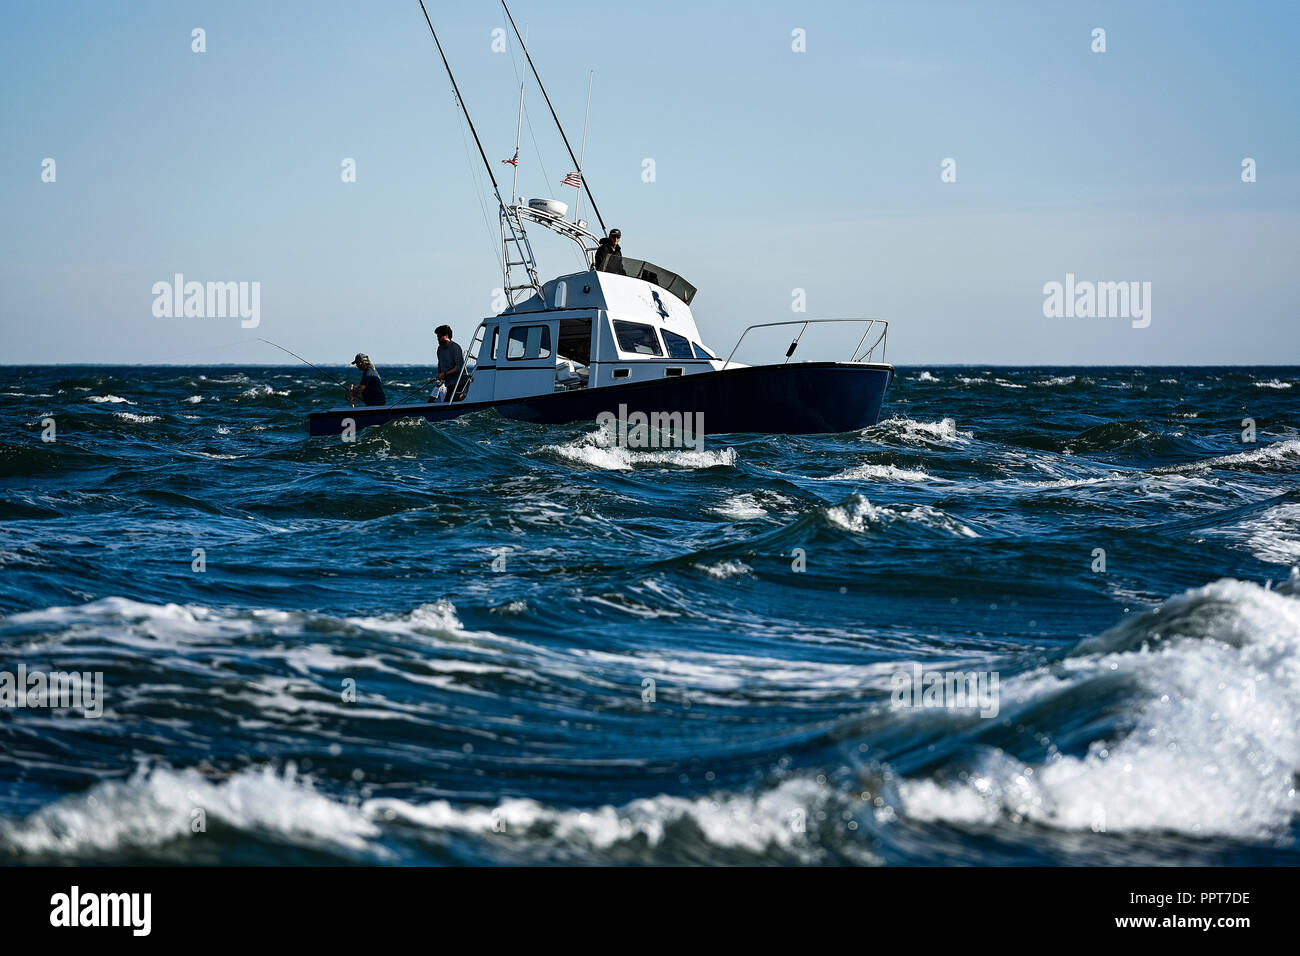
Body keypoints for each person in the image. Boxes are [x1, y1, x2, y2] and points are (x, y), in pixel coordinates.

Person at [434, 325, 465, 402]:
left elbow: (458, 367)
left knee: (447, 403)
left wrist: (444, 374)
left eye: (440, 336)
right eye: (437, 337)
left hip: (458, 383)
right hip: (448, 384)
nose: (438, 339)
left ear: (446, 335)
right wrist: (440, 375)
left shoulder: (455, 348)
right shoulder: (440, 349)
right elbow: (439, 364)